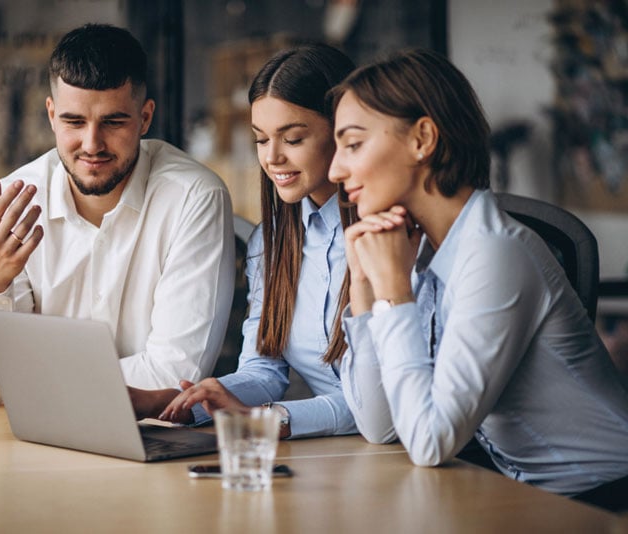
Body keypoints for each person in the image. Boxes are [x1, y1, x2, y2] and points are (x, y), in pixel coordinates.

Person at [328, 48, 628, 501]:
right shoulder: (425, 250)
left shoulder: (495, 253)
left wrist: (393, 290)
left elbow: (430, 442)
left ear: (422, 139)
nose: (335, 169)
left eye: (352, 144)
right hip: (528, 497)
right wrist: (366, 286)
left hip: (604, 501)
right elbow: (381, 425)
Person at [0, 23, 235, 406]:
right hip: (30, 444)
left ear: (146, 117)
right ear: (51, 115)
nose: (92, 144)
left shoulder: (193, 198)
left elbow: (175, 375)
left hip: (151, 443)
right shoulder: (5, 208)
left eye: (113, 122)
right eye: (74, 122)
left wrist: (30, 381)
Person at [133, 43, 359, 439]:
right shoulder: (271, 244)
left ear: (343, 132)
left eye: (292, 139)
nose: (271, 157)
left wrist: (272, 420)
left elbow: (381, 406)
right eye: (260, 139)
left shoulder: (388, 239)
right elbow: (264, 371)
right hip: (346, 455)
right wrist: (181, 404)